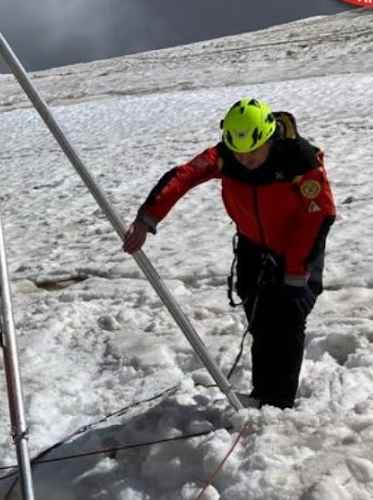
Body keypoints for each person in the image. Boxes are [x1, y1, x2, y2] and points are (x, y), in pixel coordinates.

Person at [122, 97, 337, 409]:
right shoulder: (226, 156)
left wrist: (296, 272)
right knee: (260, 320)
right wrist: (146, 219)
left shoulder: (300, 160)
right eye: (238, 151)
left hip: (298, 250)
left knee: (287, 321)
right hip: (252, 248)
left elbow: (319, 215)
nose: (245, 158)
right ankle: (263, 394)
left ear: (269, 138)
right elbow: (184, 175)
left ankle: (280, 404)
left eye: (252, 151)